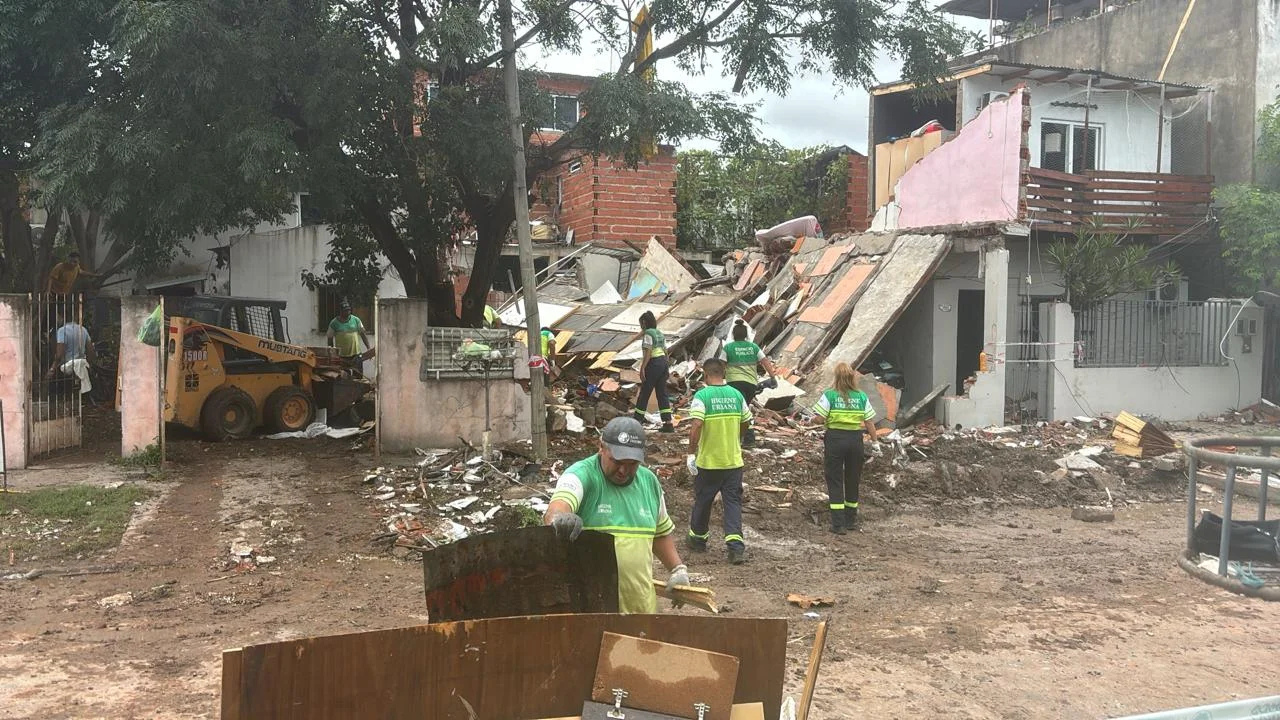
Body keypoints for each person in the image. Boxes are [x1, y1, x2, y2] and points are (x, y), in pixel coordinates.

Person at [544, 416, 690, 614]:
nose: (623, 470)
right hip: (595, 613)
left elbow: (659, 533)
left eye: (632, 464)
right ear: (601, 447)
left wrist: (677, 569)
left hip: (641, 611)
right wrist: (560, 519)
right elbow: (558, 507)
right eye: (617, 461)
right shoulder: (582, 475)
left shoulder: (649, 483)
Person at [685, 358, 752, 565]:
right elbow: (746, 421)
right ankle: (735, 547)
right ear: (724, 373)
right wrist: (738, 439)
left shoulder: (702, 396)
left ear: (705, 375)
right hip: (733, 461)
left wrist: (690, 453)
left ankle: (697, 540)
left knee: (704, 500)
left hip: (709, 462)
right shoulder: (736, 395)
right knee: (732, 502)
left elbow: (696, 425)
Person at [811, 362, 879, 534]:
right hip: (855, 440)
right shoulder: (861, 396)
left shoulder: (830, 395)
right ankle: (851, 520)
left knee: (834, 479)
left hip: (835, 439)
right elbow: (869, 421)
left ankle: (838, 524)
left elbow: (819, 419)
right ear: (851, 377)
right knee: (852, 479)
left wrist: (812, 420)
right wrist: (875, 442)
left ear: (837, 377)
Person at [719, 319, 778, 446]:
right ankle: (744, 437)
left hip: (734, 383)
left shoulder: (728, 348)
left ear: (733, 335)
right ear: (746, 335)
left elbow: (721, 365)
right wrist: (773, 377)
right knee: (744, 409)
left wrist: (718, 380)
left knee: (738, 410)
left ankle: (747, 438)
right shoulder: (753, 347)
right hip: (750, 384)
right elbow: (765, 361)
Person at [634, 310, 674, 433]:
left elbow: (648, 352)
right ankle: (668, 423)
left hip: (654, 363)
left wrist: (642, 369)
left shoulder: (648, 334)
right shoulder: (659, 334)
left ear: (644, 323)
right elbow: (665, 351)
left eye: (641, 323)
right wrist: (666, 367)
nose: (641, 326)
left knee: (645, 393)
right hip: (663, 362)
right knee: (662, 393)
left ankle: (637, 421)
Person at [46, 313, 96, 395]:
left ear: (61, 317)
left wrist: (52, 369)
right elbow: (90, 351)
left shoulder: (62, 331)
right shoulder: (83, 329)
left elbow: (59, 354)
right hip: (82, 365)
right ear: (76, 317)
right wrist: (90, 364)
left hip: (67, 367)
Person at [326, 299, 374, 371]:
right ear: (341, 311)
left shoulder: (356, 320)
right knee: (344, 378)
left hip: (356, 355)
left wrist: (368, 348)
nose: (348, 312)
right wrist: (333, 353)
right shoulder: (334, 323)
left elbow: (363, 335)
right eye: (345, 310)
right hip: (342, 357)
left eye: (349, 310)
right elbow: (330, 339)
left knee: (358, 377)